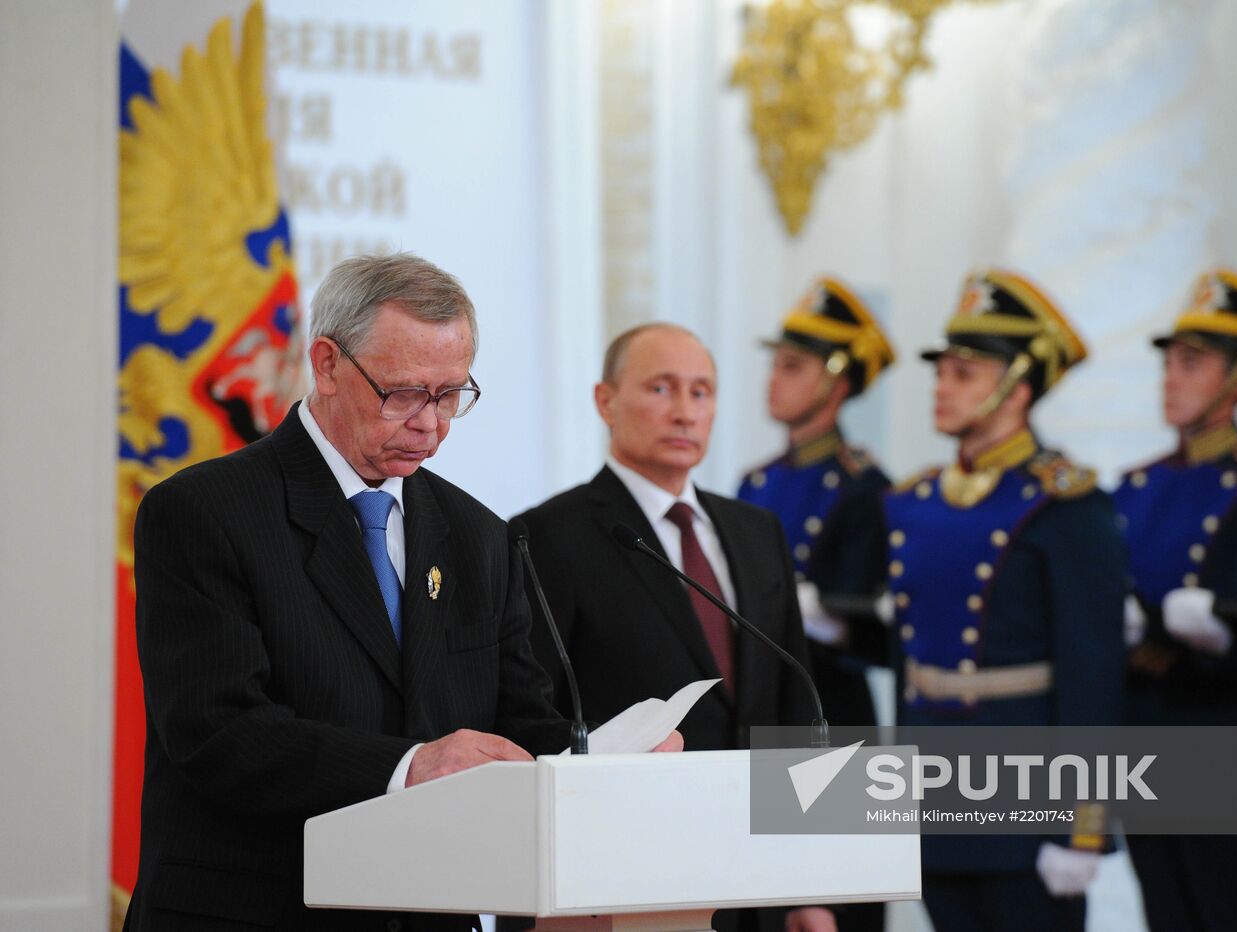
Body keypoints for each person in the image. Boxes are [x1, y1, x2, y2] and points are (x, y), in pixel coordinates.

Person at [125, 254, 626, 932]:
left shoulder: (478, 536)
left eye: (451, 394)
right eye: (404, 392)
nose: (431, 423)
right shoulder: (204, 512)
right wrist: (408, 766)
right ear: (327, 364)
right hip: (261, 909)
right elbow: (218, 732)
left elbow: (518, 720)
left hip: (427, 911)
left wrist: (611, 766)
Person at [513, 322, 833, 932]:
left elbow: (795, 702)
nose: (685, 412)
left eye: (701, 392)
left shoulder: (756, 531)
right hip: (627, 873)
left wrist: (812, 884)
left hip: (758, 876)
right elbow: (532, 716)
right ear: (605, 400)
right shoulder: (546, 537)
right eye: (661, 389)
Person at [882, 269, 1126, 932]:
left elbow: (1093, 676)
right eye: (943, 370)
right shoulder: (914, 501)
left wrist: (1082, 828)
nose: (943, 385)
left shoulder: (1065, 506)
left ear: (1017, 388)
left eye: (965, 373)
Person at [1113, 268, 1237, 932]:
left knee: (1233, 911)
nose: (1171, 377)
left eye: (1192, 364)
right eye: (1170, 362)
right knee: (1165, 910)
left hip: (1216, 740)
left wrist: (1195, 635)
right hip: (1142, 736)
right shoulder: (1135, 487)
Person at [736, 277, 894, 932]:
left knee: (843, 902)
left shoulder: (863, 488)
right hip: (764, 713)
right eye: (776, 363)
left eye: (792, 367)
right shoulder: (758, 481)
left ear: (835, 383)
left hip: (834, 714)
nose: (774, 379)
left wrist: (809, 607)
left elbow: (869, 619)